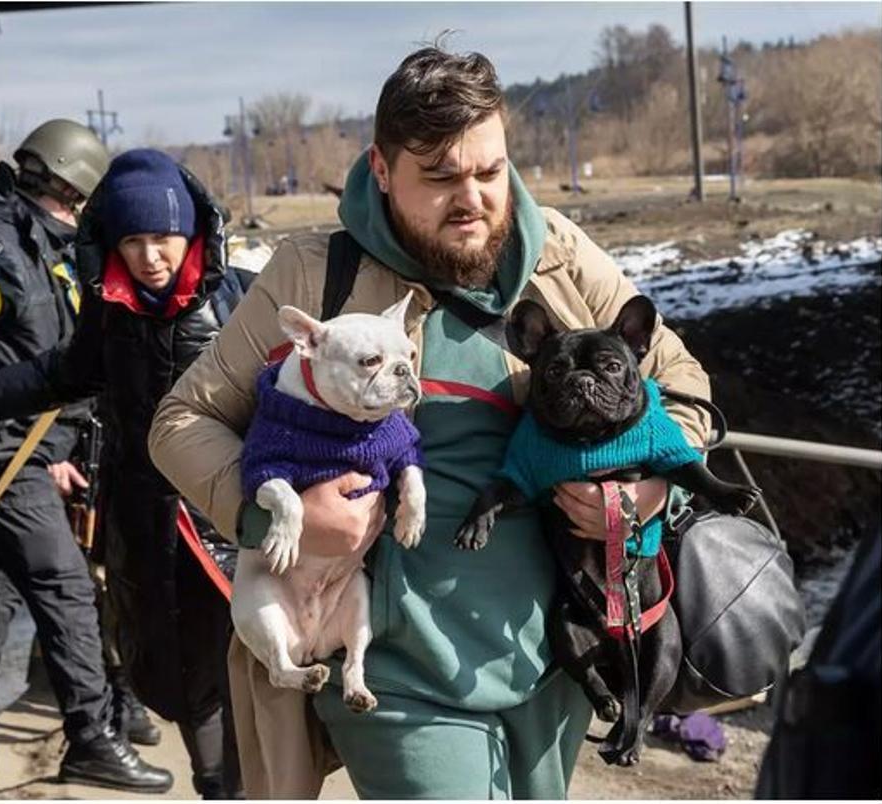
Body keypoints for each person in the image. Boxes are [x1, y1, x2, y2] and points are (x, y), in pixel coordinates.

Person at [146, 42, 713, 799]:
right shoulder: (316, 274)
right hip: (391, 668)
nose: (472, 197)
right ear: (381, 171)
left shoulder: (560, 258)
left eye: (489, 171)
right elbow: (181, 420)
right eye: (440, 177)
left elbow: (681, 381)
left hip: (557, 655)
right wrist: (271, 516)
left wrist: (652, 491)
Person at [0, 149, 249, 798]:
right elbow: (61, 375)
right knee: (185, 682)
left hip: (227, 521)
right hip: (144, 528)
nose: (151, 256)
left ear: (190, 235)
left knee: (248, 669)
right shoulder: (112, 311)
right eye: (134, 241)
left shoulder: (238, 300)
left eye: (163, 238)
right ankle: (218, 788)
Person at [0, 119, 172, 792]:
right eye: (80, 202)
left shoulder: (49, 247)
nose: (81, 215)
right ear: (66, 187)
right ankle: (91, 738)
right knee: (67, 589)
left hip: (40, 450)